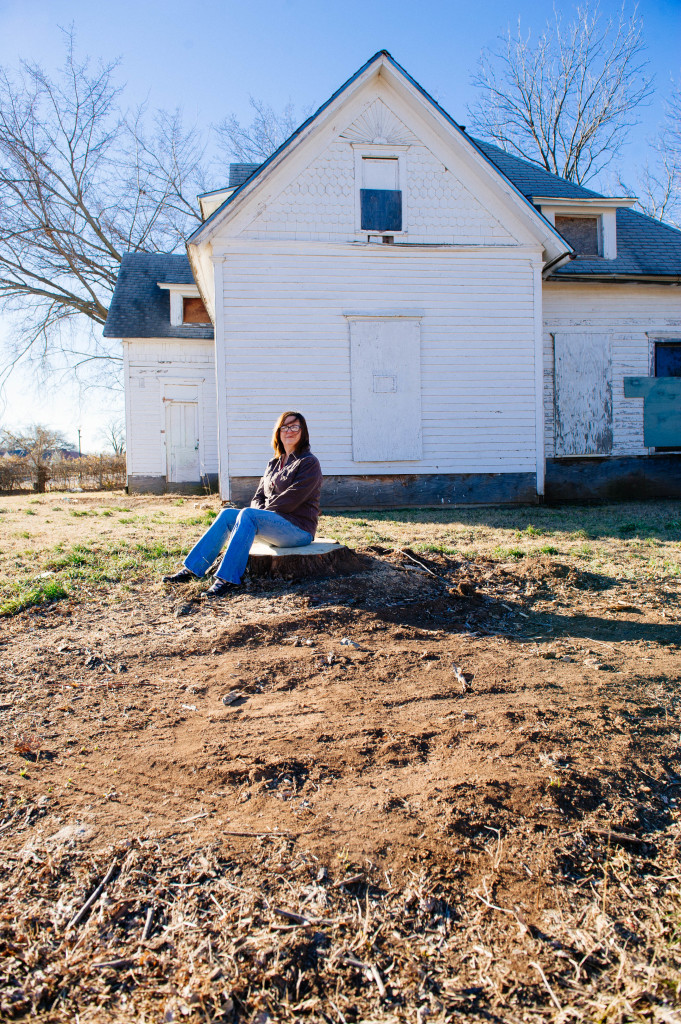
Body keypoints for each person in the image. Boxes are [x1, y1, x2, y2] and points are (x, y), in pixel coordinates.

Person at [163, 411, 322, 599]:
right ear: (278, 433)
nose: (290, 431)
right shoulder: (273, 463)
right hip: (273, 526)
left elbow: (292, 499)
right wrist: (258, 514)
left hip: (298, 529)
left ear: (303, 432)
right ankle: (193, 568)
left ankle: (227, 579)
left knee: (248, 514)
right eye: (285, 427)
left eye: (295, 426)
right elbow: (259, 495)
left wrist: (258, 516)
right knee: (227, 514)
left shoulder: (309, 463)